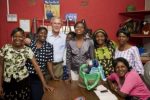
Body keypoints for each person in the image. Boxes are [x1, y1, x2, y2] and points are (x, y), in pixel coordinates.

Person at [0, 27, 54, 100]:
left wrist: (44, 84)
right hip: (8, 83)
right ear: (12, 37)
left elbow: (37, 66)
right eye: (15, 36)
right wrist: (0, 85)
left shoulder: (27, 50)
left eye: (20, 36)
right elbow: (1, 67)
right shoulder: (5, 48)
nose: (17, 38)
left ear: (23, 37)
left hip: (23, 82)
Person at [26, 27, 55, 100]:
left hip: (39, 76)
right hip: (27, 75)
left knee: (37, 96)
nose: (43, 35)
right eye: (41, 33)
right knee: (27, 96)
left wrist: (53, 75)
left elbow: (49, 62)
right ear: (37, 34)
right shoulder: (30, 43)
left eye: (45, 33)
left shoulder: (49, 46)